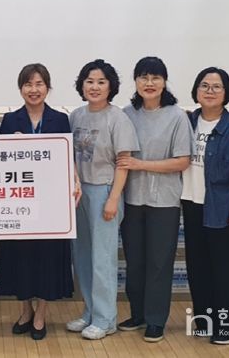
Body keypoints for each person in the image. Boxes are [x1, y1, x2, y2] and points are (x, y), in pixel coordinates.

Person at [0, 63, 79, 341]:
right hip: (18, 203)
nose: (34, 89)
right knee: (19, 256)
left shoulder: (60, 119)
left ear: (48, 87)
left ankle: (41, 313)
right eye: (28, 84)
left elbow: (67, 158)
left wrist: (75, 181)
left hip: (51, 203)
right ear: (21, 88)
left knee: (47, 257)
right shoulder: (10, 121)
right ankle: (25, 310)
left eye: (39, 84)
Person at [117, 56, 192, 343]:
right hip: (132, 198)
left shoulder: (176, 116)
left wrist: (141, 164)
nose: (149, 83)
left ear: (164, 82)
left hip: (165, 202)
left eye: (155, 77)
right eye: (143, 77)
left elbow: (182, 161)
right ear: (135, 81)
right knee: (134, 261)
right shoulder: (126, 114)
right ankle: (137, 314)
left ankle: (156, 319)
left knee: (160, 262)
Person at [181, 67, 229, 345]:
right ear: (196, 91)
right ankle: (204, 322)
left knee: (228, 270)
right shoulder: (187, 122)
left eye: (217, 86)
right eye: (204, 85)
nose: (210, 91)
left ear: (226, 93)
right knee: (198, 266)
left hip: (225, 208)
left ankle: (228, 328)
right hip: (192, 204)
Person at [66, 59, 139, 340]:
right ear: (81, 85)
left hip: (105, 191)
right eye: (89, 81)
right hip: (78, 192)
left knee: (103, 258)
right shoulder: (76, 116)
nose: (94, 87)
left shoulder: (117, 118)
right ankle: (90, 312)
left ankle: (106, 319)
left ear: (111, 86)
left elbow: (124, 162)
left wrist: (113, 199)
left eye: (101, 82)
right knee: (83, 256)